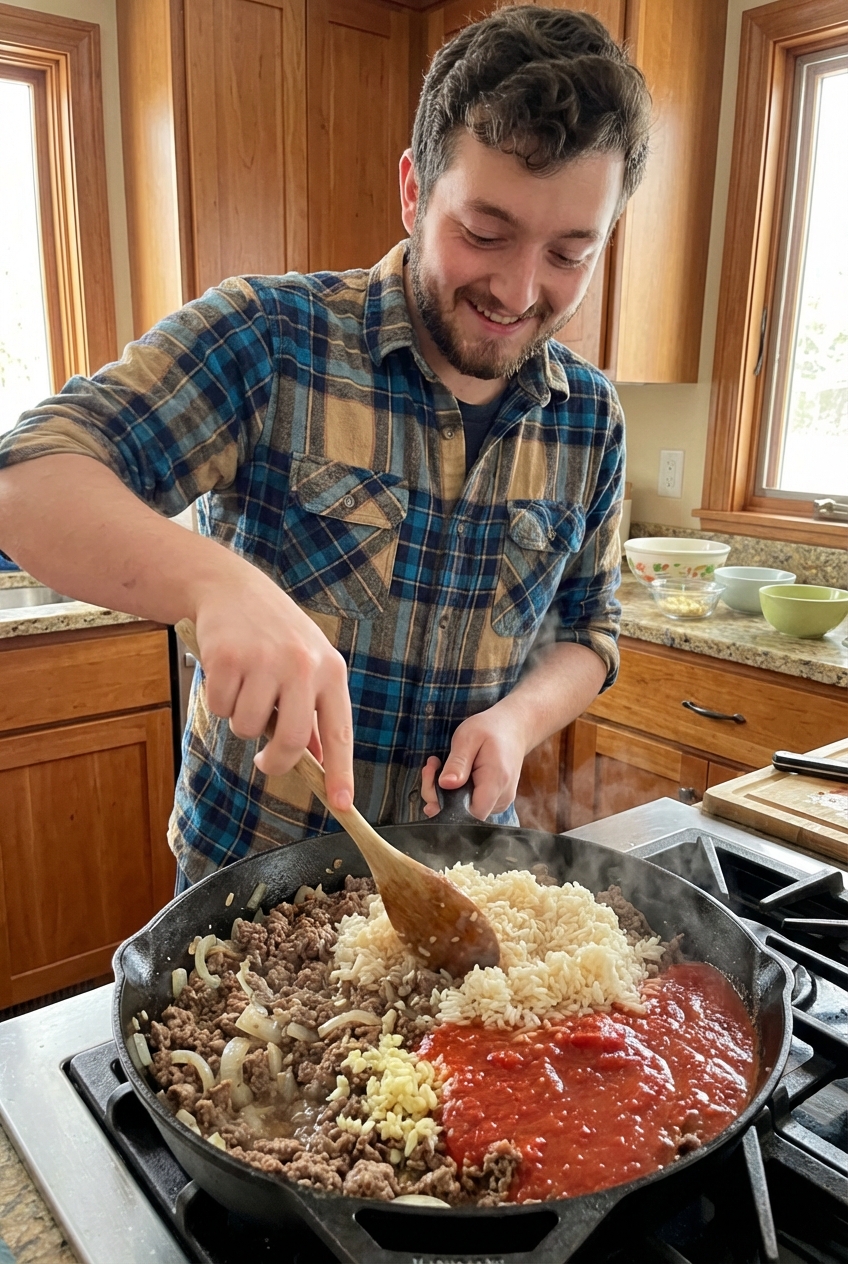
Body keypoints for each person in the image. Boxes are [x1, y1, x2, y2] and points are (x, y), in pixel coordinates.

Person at [0, 5, 651, 890]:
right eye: (484, 233)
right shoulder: (270, 339)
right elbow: (27, 482)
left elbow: (588, 631)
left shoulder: (593, 422)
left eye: (570, 254)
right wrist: (212, 579)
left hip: (462, 877)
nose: (518, 288)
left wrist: (520, 720)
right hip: (254, 890)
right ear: (416, 191)